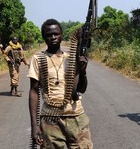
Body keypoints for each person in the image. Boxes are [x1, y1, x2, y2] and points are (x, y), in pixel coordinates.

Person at [28, 19, 93, 149]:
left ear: (61, 35)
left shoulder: (72, 58)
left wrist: (83, 71)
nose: (53, 37)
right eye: (49, 35)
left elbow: (81, 89)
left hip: (76, 116)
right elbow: (34, 91)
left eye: (56, 34)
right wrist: (34, 126)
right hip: (50, 119)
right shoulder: (38, 59)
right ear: (43, 37)